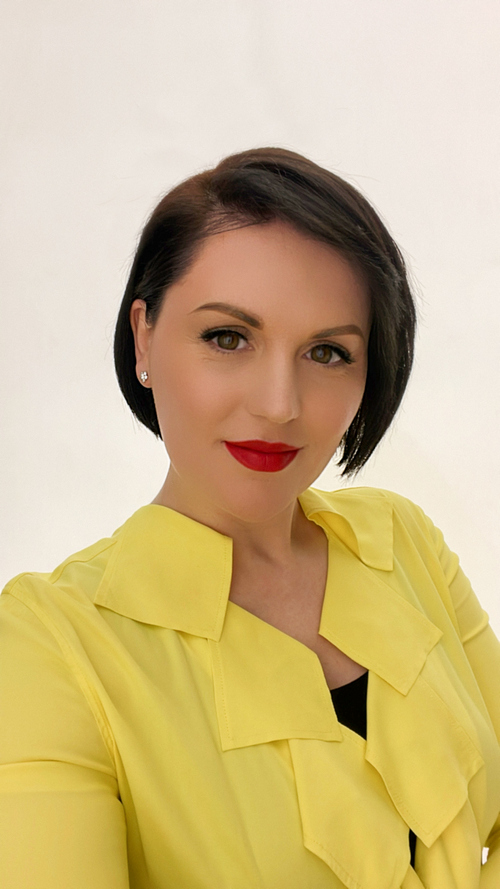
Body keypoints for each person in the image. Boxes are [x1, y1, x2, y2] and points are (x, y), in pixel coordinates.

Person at [0, 147, 499, 889]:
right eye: (228, 337)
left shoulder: (402, 541)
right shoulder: (48, 645)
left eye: (327, 352)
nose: (278, 404)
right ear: (144, 336)